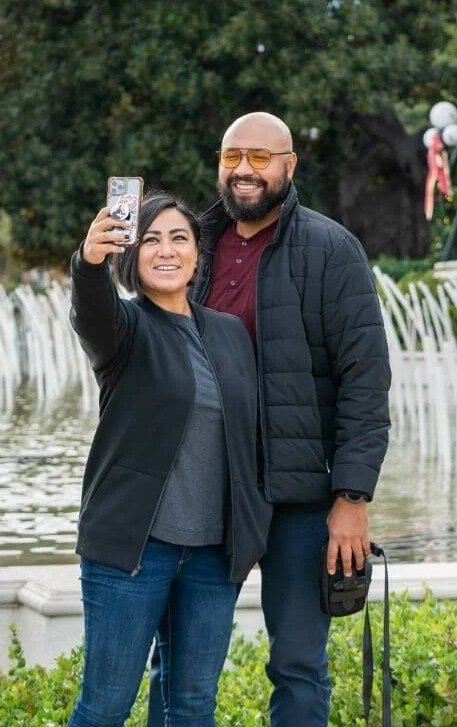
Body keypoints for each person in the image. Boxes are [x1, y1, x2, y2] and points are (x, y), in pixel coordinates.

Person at [148, 112, 392, 726]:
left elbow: (366, 382)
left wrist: (353, 498)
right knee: (176, 668)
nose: (245, 170)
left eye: (261, 157)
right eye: (233, 157)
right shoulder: (191, 246)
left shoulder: (332, 250)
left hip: (300, 499)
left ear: (289, 166)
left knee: (299, 666)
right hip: (207, 494)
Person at [68, 193, 273, 727]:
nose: (165, 249)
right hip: (134, 552)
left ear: (197, 255)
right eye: (151, 239)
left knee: (191, 707)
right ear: (130, 257)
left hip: (212, 557)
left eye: (178, 238)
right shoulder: (125, 331)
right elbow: (90, 311)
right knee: (105, 707)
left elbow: (252, 434)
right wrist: (89, 261)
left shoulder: (229, 333)